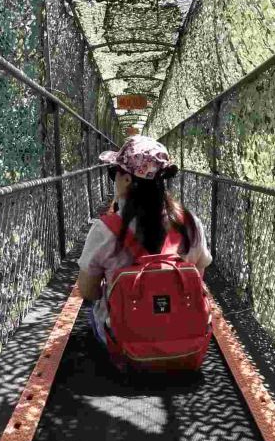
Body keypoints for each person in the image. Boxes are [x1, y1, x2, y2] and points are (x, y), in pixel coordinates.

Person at [77, 135, 212, 346]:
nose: (113, 178)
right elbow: (199, 275)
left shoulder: (105, 230)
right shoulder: (190, 223)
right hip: (182, 336)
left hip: (126, 342)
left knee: (93, 308)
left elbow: (88, 290)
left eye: (113, 173)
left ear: (127, 180)